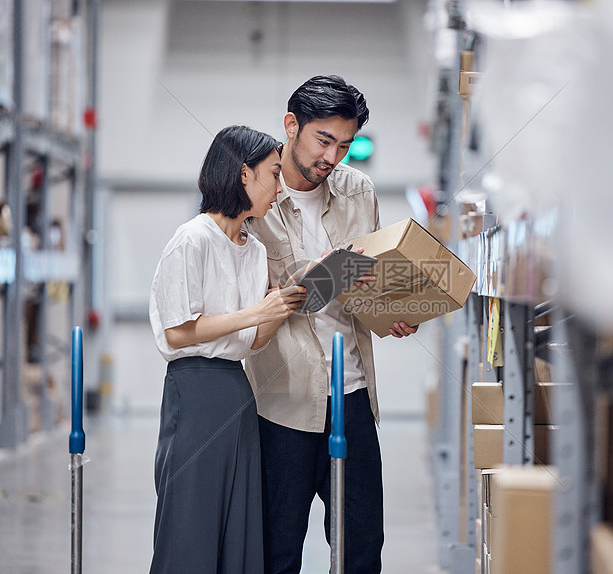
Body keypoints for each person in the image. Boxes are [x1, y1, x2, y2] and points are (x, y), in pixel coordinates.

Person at [243, 75, 417, 574]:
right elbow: (245, 304)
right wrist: (310, 280)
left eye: (344, 145)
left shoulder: (358, 190)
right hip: (283, 401)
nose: (332, 157)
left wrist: (393, 310)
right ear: (291, 125)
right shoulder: (256, 195)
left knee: (362, 546)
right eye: (323, 140)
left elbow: (370, 278)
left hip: (353, 394)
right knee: (278, 548)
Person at [148, 125, 306, 574]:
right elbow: (180, 332)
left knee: (239, 529)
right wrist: (257, 312)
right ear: (244, 175)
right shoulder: (192, 240)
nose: (279, 188)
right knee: (189, 525)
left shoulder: (254, 251)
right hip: (195, 394)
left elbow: (253, 342)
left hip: (238, 394)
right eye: (274, 174)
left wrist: (284, 305)